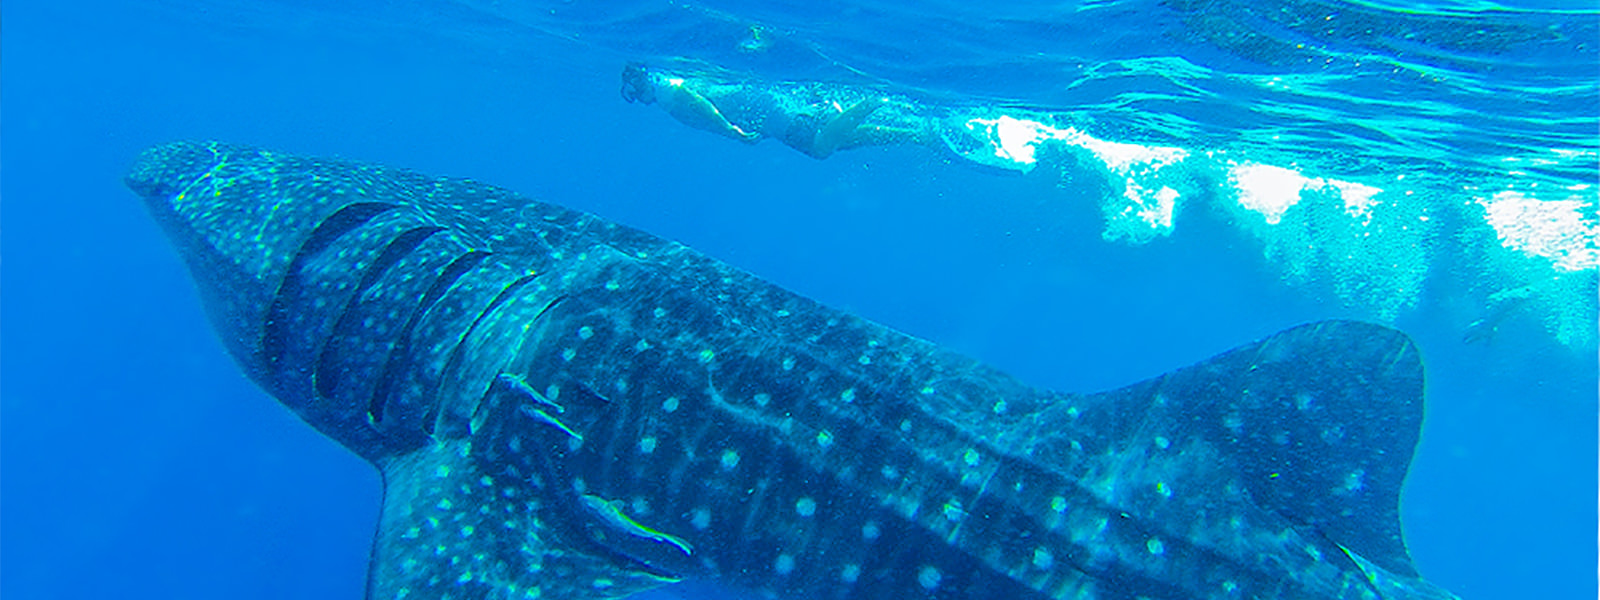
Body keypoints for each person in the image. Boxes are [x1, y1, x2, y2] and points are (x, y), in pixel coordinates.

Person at [621, 62, 935, 159]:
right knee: (843, 140)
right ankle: (918, 133)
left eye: (636, 91)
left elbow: (699, 105)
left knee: (820, 148)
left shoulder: (667, 92)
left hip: (767, 112)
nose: (639, 98)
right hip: (764, 107)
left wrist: (732, 132)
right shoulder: (669, 89)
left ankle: (876, 100)